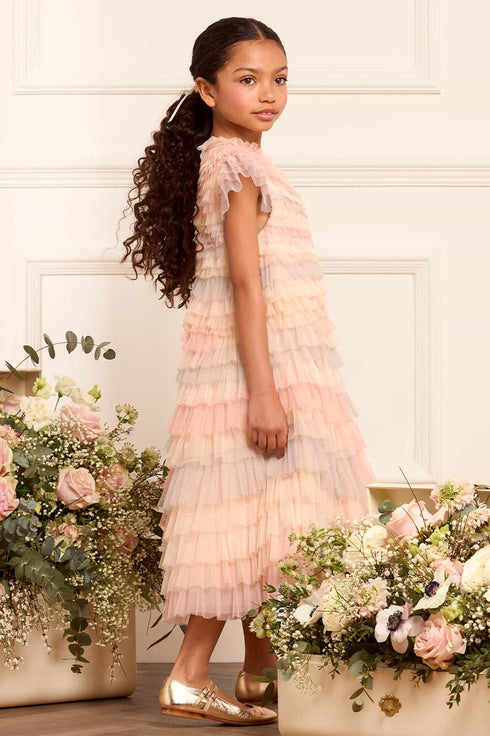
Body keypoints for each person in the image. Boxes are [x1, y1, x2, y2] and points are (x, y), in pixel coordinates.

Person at [120, 15, 376, 727]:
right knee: (237, 511)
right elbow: (243, 283)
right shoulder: (235, 168)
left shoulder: (236, 160)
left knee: (271, 510)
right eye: (248, 79)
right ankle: (188, 675)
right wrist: (264, 391)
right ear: (207, 89)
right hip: (253, 367)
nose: (269, 94)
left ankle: (261, 672)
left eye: (280, 79)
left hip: (268, 356)